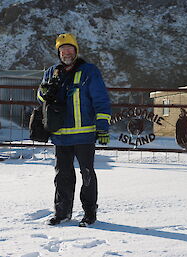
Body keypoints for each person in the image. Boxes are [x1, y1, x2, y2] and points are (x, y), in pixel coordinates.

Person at [37, 33, 111, 226]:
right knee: (62, 176)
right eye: (62, 50)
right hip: (60, 136)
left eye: (70, 49)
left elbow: (101, 99)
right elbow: (41, 97)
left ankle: (89, 213)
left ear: (76, 51)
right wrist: (44, 93)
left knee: (87, 174)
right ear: (58, 53)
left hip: (84, 135)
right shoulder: (52, 72)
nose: (66, 53)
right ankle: (62, 213)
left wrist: (102, 127)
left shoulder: (89, 71)